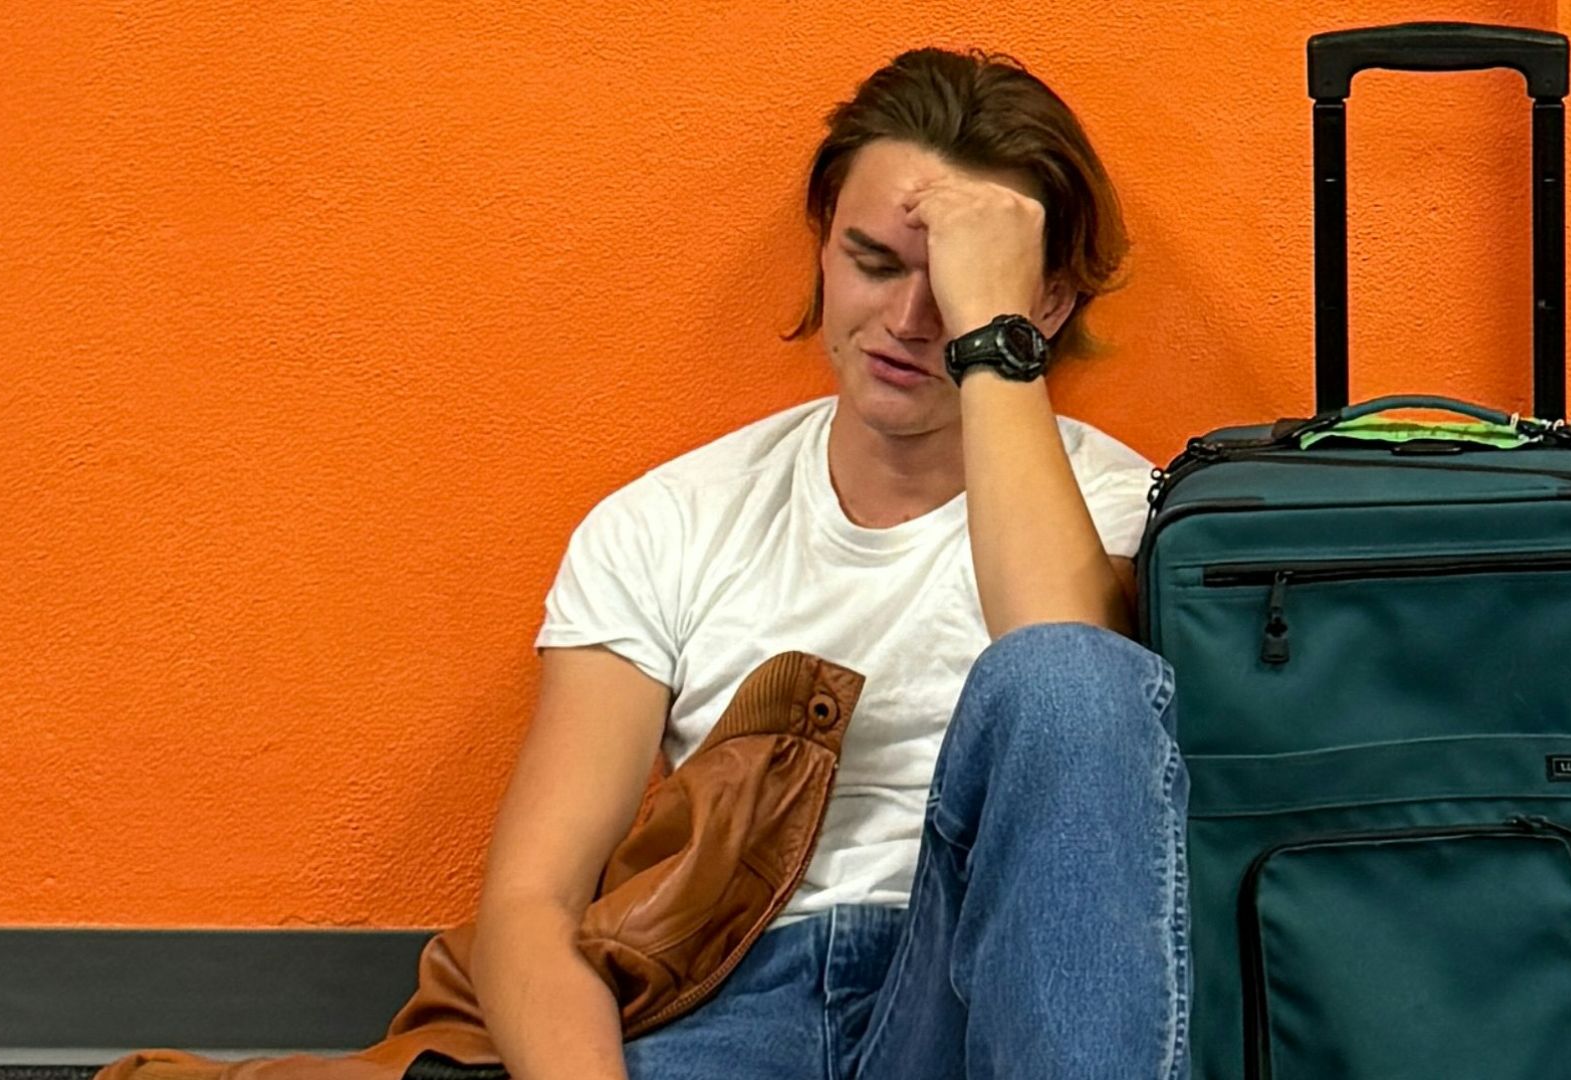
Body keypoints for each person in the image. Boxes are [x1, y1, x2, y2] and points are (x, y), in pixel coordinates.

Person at [473, 47, 1189, 1080]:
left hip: (985, 1000)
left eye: (951, 289)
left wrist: (995, 343)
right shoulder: (667, 522)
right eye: (874, 262)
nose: (905, 323)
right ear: (822, 249)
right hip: (731, 991)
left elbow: (1063, 667)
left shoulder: (1123, 508)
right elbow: (531, 902)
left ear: (1046, 308)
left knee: (1074, 675)